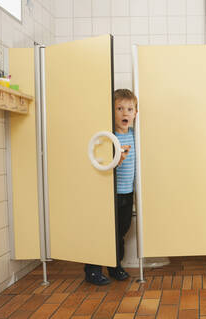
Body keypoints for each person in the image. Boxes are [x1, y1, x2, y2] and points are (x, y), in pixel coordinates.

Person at [84, 89, 138, 285]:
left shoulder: (134, 135)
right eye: (119, 108)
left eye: (129, 109)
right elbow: (102, 162)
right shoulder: (108, 136)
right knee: (103, 231)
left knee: (122, 231)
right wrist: (117, 159)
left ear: (135, 113)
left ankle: (115, 265)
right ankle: (92, 270)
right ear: (111, 111)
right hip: (108, 193)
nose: (125, 113)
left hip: (127, 192)